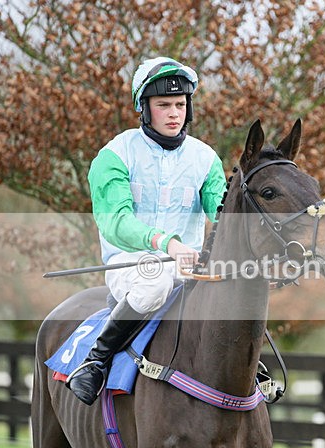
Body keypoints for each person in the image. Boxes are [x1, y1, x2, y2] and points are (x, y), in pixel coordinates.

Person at [66, 57, 227, 405]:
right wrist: (166, 244)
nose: (174, 113)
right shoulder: (114, 154)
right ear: (144, 108)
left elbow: (223, 210)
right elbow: (116, 223)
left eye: (180, 105)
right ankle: (96, 361)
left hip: (188, 271)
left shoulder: (206, 158)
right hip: (131, 266)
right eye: (163, 105)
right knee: (155, 281)